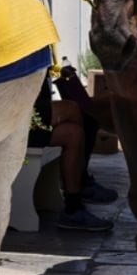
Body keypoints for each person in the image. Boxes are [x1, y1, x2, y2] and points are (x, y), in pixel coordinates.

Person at [29, 77, 115, 231]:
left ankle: (73, 208)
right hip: (21, 116)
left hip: (32, 117)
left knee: (73, 134)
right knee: (73, 109)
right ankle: (82, 183)